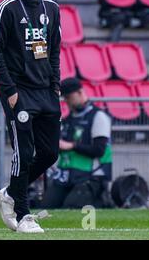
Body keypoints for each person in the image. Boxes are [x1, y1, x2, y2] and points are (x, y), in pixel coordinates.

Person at [0, 0, 61, 233]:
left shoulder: (52, 9)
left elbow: (54, 52)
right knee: (24, 151)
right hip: (19, 91)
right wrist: (11, 92)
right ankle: (24, 215)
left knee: (49, 154)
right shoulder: (6, 8)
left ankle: (8, 194)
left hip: (46, 92)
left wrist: (55, 87)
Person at [41, 78, 113, 209]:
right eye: (65, 98)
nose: (67, 101)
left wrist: (72, 146)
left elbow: (99, 150)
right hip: (66, 176)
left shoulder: (98, 117)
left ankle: (101, 201)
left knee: (71, 207)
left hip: (90, 176)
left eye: (69, 97)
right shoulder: (67, 121)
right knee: (46, 206)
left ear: (80, 93)